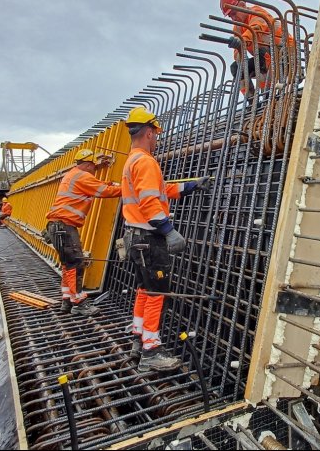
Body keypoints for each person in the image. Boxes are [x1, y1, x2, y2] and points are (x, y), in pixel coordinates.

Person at [122, 107, 211, 372]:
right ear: (149, 132)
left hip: (134, 236)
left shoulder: (133, 160)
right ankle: (151, 351)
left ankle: (138, 340)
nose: (157, 139)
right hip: (149, 238)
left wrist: (192, 185)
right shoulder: (146, 161)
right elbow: (150, 201)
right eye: (156, 134)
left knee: (145, 289)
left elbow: (162, 190)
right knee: (158, 292)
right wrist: (168, 230)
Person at [46, 149, 121, 316]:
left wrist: (108, 183)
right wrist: (126, 189)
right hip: (64, 226)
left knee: (68, 265)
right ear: (88, 165)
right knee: (76, 265)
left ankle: (67, 300)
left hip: (57, 226)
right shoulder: (83, 176)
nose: (94, 171)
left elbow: (98, 186)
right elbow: (104, 192)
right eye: (94, 167)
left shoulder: (73, 175)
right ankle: (79, 303)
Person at [220, 0, 294, 99]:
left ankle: (267, 95)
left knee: (262, 55)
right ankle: (251, 101)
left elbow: (255, 28)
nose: (234, 18)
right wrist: (240, 54)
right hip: (266, 59)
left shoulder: (257, 13)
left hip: (286, 53)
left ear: (243, 5)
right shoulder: (238, 28)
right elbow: (238, 55)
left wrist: (242, 40)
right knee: (236, 68)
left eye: (234, 13)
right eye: (230, 16)